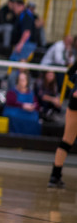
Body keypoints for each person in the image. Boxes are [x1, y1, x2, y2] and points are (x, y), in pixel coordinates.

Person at [48, 60, 77, 188]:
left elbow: (70, 72)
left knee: (66, 141)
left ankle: (55, 176)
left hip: (73, 102)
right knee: (66, 141)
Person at [4, 71, 41, 136]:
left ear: (27, 81)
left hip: (29, 113)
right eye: (20, 80)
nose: (21, 82)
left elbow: (37, 105)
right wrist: (22, 105)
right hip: (16, 112)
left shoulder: (31, 93)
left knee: (35, 119)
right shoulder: (12, 92)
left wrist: (33, 106)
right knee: (14, 117)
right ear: (17, 81)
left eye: (23, 80)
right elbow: (10, 102)